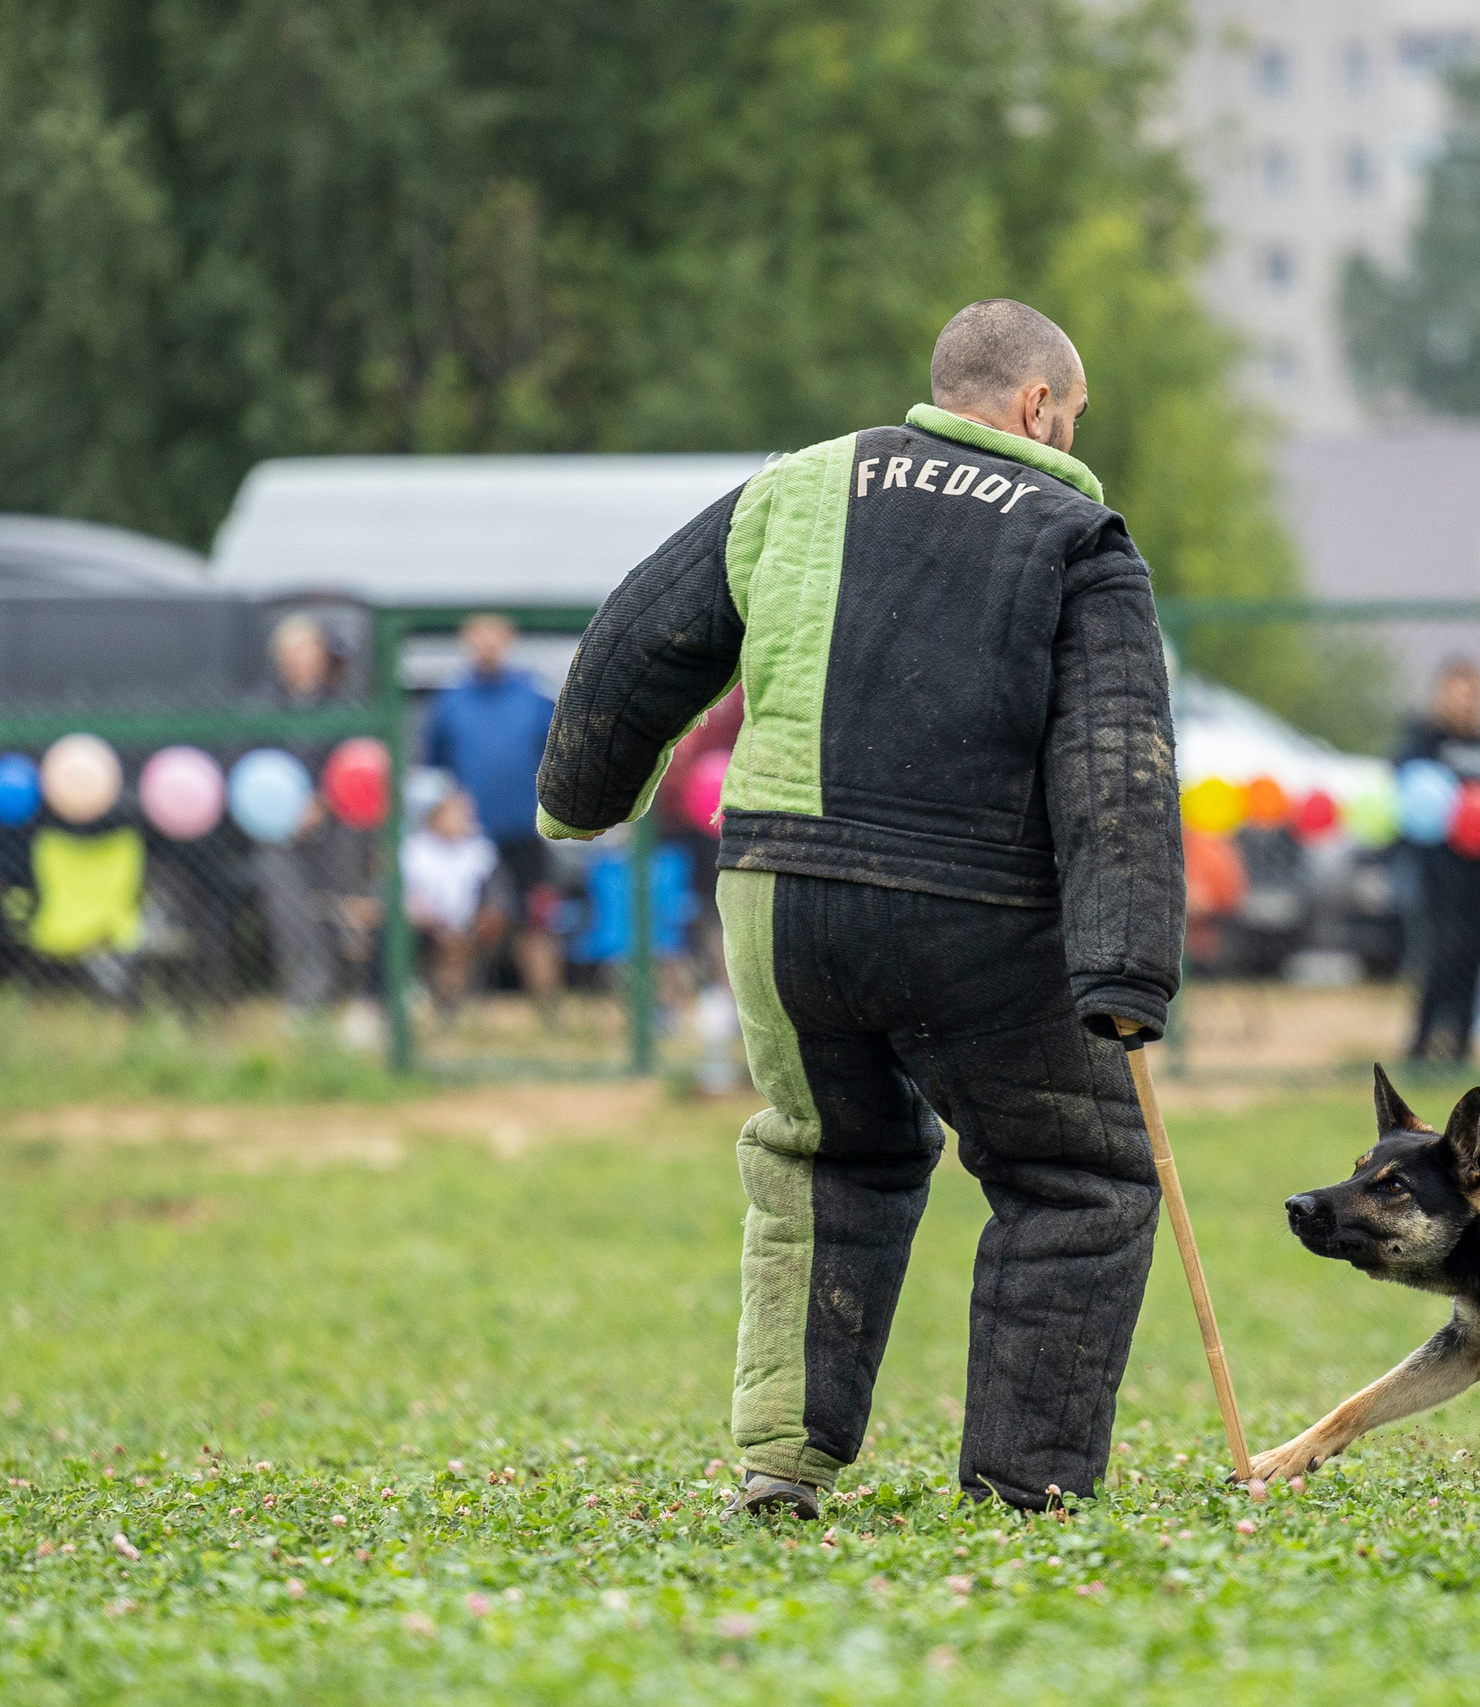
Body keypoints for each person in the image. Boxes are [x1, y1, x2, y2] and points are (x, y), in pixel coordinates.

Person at [534, 299, 1181, 1519]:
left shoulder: (797, 486)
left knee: (826, 1155)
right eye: (1075, 411)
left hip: (781, 897)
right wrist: (1126, 969)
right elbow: (1117, 764)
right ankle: (1020, 1487)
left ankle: (784, 1465)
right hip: (974, 909)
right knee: (1078, 1180)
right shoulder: (1078, 536)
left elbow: (638, 636)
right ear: (1039, 406)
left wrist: (582, 798)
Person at [423, 614, 562, 1017]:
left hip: (526, 834)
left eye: (494, 633)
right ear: (465, 638)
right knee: (461, 928)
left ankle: (550, 1016)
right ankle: (447, 1014)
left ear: (509, 638)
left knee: (536, 926)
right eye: (477, 633)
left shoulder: (533, 697)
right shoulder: (450, 703)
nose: (486, 642)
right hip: (468, 842)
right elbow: (434, 773)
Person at [1397, 658, 1480, 1064]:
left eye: (1472, 693)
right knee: (1440, 956)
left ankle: (1461, 1048)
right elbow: (1401, 796)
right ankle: (1422, 1044)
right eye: (1456, 692)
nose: (1465, 702)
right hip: (1440, 874)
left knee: (1475, 958)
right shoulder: (1424, 742)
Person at [255, 614, 374, 1019]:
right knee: (290, 911)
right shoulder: (262, 709)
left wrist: (323, 801)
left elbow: (357, 765)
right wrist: (282, 811)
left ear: (323, 658)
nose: (300, 660)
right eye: (292, 653)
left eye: (308, 651)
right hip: (279, 834)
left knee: (346, 911)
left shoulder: (345, 707)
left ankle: (358, 997)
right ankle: (306, 996)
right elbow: (248, 767)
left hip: (339, 830)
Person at [400, 777, 501, 1018]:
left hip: (469, 927)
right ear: (435, 815)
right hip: (427, 926)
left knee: (467, 939)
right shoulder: (414, 850)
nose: (463, 819)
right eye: (454, 812)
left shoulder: (480, 851)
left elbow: (495, 895)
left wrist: (478, 922)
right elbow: (404, 895)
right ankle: (429, 1000)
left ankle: (450, 1005)